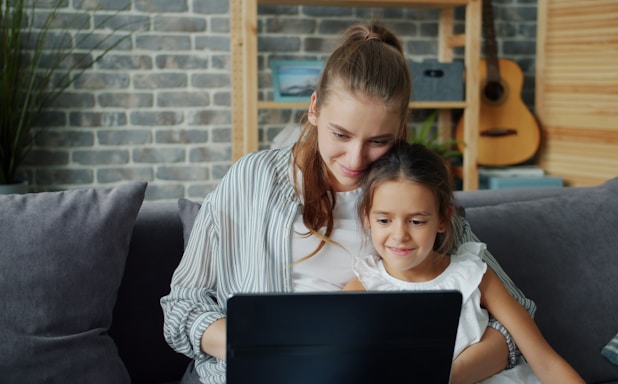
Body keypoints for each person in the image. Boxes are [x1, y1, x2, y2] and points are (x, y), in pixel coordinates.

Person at [161, 22, 535, 384]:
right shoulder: (251, 180)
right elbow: (183, 305)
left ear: (401, 129)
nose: (355, 160)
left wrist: (444, 375)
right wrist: (255, 347)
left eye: (378, 141)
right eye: (340, 134)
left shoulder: (413, 197)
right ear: (314, 109)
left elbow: (518, 318)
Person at [343, 142, 585, 384]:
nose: (399, 235)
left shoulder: (474, 274)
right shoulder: (361, 290)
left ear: (443, 220)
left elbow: (545, 361)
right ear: (367, 218)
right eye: (384, 220)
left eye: (417, 221)